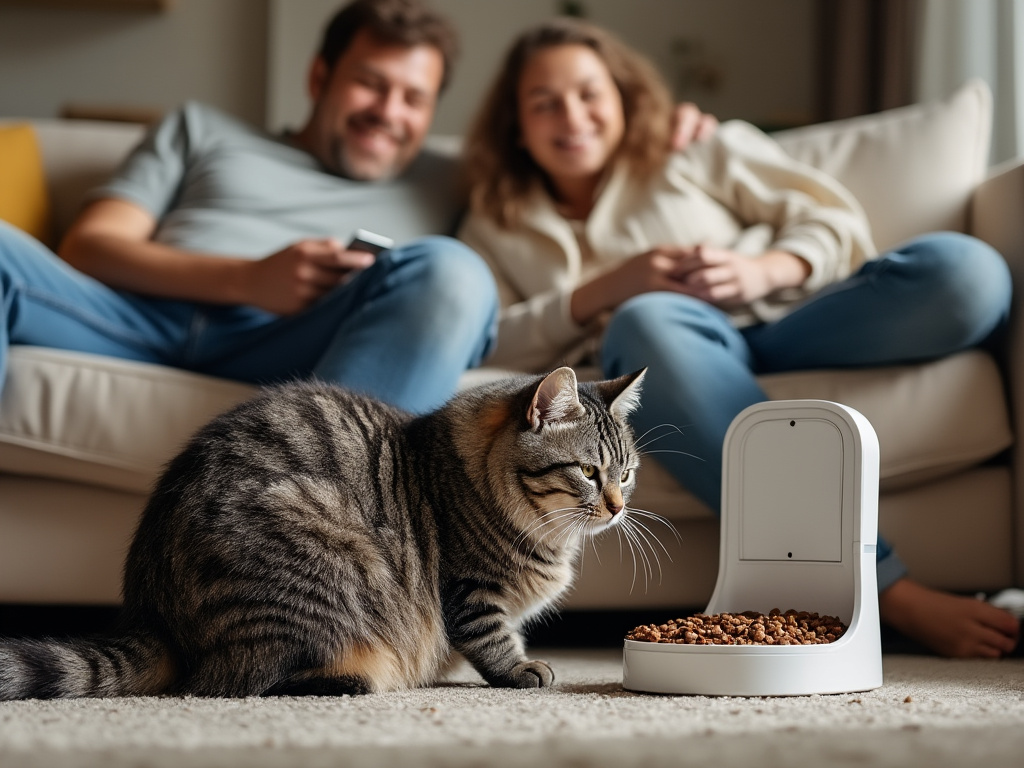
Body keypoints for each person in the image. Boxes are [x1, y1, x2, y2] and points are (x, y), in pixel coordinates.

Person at [457, 17, 1020, 658]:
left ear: (622, 96)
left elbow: (830, 219)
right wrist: (605, 289)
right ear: (516, 125)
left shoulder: (694, 148)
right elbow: (491, 345)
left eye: (589, 92)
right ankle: (889, 591)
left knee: (966, 272)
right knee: (646, 318)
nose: (571, 115)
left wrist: (761, 270)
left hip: (789, 320)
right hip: (665, 355)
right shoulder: (495, 220)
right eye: (543, 102)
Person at [0, 0, 500, 415]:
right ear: (319, 76)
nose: (388, 112)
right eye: (370, 83)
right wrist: (248, 279)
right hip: (134, 319)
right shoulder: (200, 128)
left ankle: (330, 517)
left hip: (296, 342)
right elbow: (88, 247)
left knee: (455, 271)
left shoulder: (452, 180)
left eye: (413, 98)